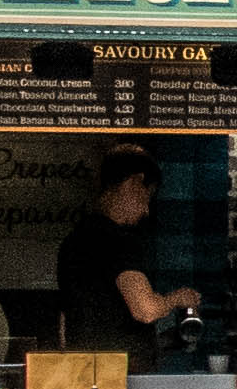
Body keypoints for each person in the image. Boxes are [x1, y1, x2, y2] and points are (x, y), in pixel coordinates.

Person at [57, 150, 200, 352]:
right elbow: (146, 310)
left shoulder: (74, 240)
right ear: (134, 182)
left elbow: (64, 321)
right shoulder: (118, 241)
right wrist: (178, 298)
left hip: (82, 364)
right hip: (123, 368)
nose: (146, 210)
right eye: (147, 196)